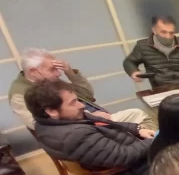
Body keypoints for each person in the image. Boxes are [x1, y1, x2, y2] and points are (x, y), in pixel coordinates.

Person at [24, 81, 156, 175]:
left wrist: (138, 129)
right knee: (176, 157)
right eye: (73, 102)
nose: (81, 105)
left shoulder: (50, 122)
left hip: (132, 162)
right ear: (51, 111)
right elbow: (123, 156)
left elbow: (109, 123)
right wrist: (155, 140)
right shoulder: (75, 135)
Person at [9, 48, 153, 130]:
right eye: (52, 69)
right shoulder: (19, 93)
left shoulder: (48, 81)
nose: (58, 74)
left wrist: (70, 73)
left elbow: (87, 96)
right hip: (83, 127)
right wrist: (89, 117)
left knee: (138, 116)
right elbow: (39, 126)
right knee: (139, 115)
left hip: (92, 119)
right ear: (33, 71)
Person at [123, 15, 179, 87]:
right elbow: (129, 62)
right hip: (161, 89)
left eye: (171, 33)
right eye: (163, 32)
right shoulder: (142, 46)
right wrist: (133, 72)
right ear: (154, 30)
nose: (168, 36)